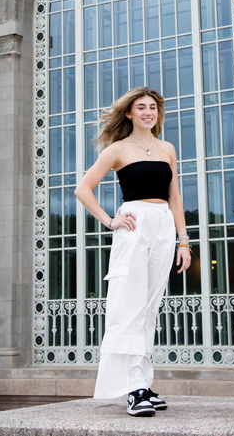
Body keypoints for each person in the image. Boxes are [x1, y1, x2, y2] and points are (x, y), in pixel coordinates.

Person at [74, 86, 192, 417]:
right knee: (130, 307)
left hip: (164, 226)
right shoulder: (118, 149)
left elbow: (175, 198)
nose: (147, 112)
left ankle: (142, 381)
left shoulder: (167, 148)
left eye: (152, 107)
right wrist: (110, 220)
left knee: (149, 308)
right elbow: (83, 189)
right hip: (135, 225)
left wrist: (184, 241)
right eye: (140, 107)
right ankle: (132, 389)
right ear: (129, 113)